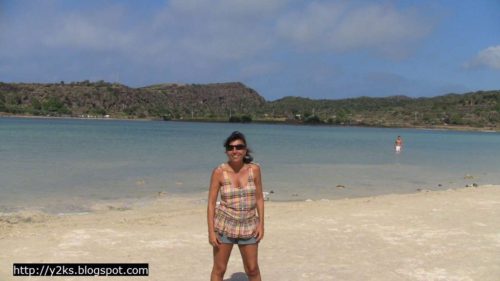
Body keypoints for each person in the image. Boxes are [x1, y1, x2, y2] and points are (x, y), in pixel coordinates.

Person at [207, 131, 265, 281]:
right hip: (225, 225)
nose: (235, 151)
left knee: (252, 269)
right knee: (219, 269)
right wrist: (211, 232)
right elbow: (211, 204)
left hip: (249, 225)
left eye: (239, 147)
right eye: (231, 147)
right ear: (226, 151)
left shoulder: (255, 170)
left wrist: (261, 225)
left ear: (245, 150)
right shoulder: (219, 172)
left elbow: (259, 198)